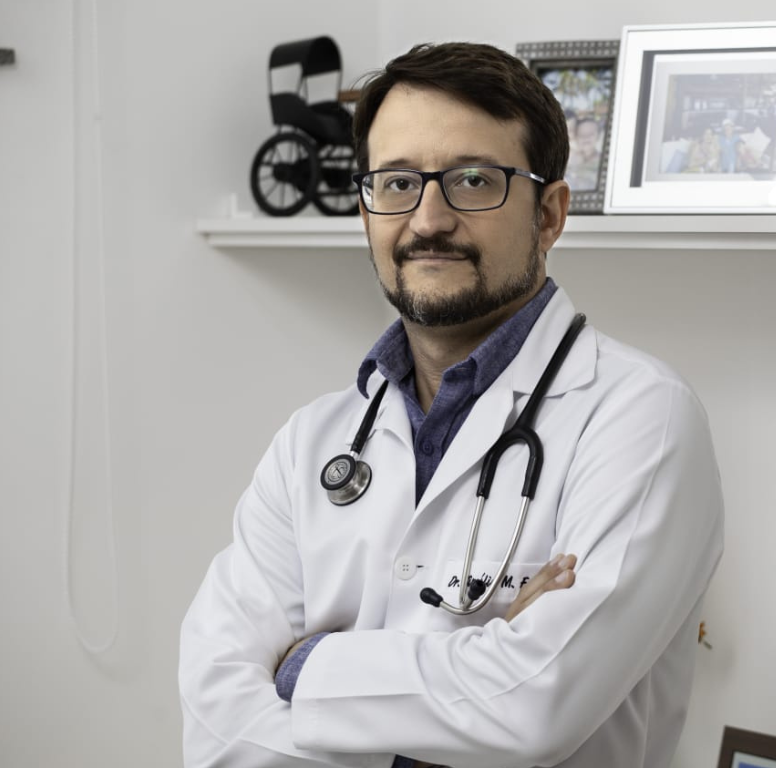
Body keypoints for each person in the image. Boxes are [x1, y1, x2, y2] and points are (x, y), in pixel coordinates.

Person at [179, 41, 725, 768]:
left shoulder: (642, 419)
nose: (428, 220)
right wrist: (480, 667)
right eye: (397, 183)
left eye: (473, 180)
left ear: (549, 215)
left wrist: (301, 668)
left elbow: (534, 709)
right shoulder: (311, 442)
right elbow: (216, 726)